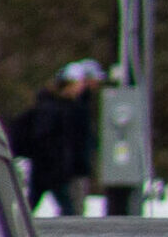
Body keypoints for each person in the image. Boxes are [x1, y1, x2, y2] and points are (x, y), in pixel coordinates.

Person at [8, 59, 105, 216]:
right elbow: (47, 137)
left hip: (55, 168)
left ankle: (13, 227)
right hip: (53, 168)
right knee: (68, 210)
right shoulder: (56, 108)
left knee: (36, 207)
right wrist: (59, 159)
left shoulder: (66, 106)